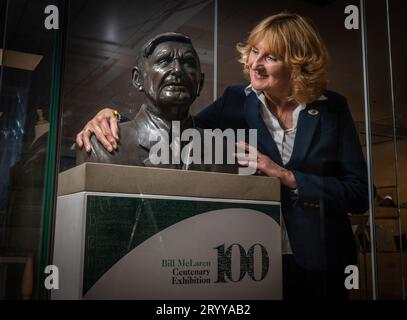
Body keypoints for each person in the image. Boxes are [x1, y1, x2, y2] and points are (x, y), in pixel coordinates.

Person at [76, 12, 369, 300]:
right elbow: (180, 127)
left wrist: (289, 178)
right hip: (255, 262)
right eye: (255, 51)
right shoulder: (236, 101)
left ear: (297, 64)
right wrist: (114, 117)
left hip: (323, 260)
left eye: (271, 57)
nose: (255, 63)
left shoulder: (332, 109)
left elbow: (360, 193)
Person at [76, 32, 236, 173]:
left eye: (188, 62)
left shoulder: (224, 153)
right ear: (138, 79)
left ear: (199, 84)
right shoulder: (99, 149)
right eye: (164, 61)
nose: (178, 70)